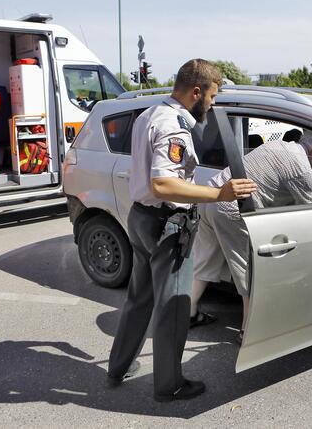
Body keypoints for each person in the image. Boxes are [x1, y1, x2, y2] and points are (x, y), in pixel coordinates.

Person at [106, 59, 257, 402]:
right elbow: (163, 183)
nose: (213, 104)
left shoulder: (150, 113)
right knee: (174, 307)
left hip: (142, 218)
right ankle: (169, 384)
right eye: (213, 97)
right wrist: (219, 194)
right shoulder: (174, 125)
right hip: (166, 226)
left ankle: (118, 366)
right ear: (196, 92)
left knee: (138, 300)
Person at [189, 130, 312, 343]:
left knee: (205, 258)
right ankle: (247, 332)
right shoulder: (302, 169)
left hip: (212, 195)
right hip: (232, 207)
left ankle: (187, 313)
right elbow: (309, 210)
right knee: (247, 270)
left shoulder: (277, 145)